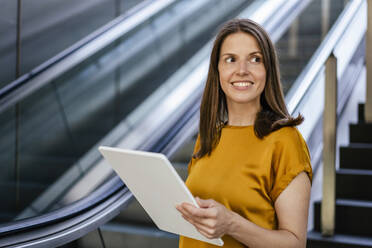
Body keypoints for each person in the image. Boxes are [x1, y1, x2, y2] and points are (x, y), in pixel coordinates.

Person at [175, 19, 312, 248]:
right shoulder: (208, 138)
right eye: (231, 60)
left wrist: (230, 224)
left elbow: (295, 244)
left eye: (255, 59)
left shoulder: (285, 141)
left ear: (267, 69)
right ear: (217, 69)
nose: (241, 71)